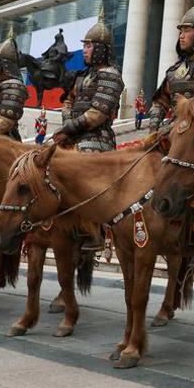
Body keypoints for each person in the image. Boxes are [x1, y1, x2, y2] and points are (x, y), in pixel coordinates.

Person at [50, 18, 124, 253]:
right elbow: (68, 100)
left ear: (101, 49)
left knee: (85, 173)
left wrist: (68, 129)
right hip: (72, 135)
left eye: (89, 46)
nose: (85, 50)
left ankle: (94, 229)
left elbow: (97, 114)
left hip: (96, 138)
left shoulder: (110, 75)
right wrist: (66, 124)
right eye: (85, 45)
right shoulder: (82, 76)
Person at [143, 2, 194, 136]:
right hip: (172, 131)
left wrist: (175, 127)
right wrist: (153, 130)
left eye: (187, 31)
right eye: (181, 31)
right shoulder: (174, 69)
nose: (181, 36)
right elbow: (160, 102)